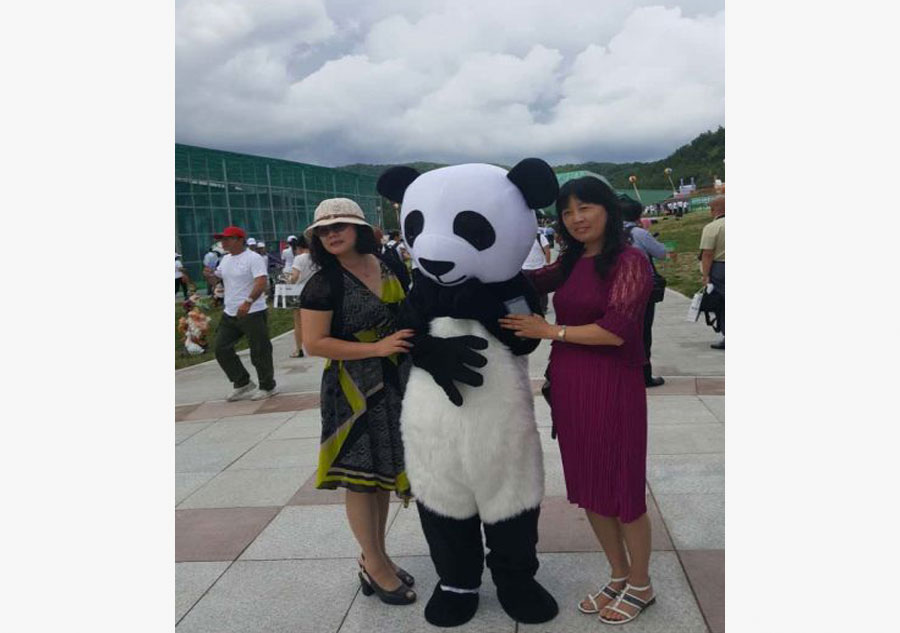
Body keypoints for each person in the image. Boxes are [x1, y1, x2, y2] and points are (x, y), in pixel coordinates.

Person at [499, 176, 656, 625]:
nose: (576, 218)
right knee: (589, 487)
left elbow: (616, 330)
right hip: (570, 384)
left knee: (623, 488)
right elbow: (527, 279)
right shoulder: (570, 261)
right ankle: (618, 573)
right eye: (567, 212)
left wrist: (550, 331)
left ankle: (641, 584)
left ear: (607, 209)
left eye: (585, 207)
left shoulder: (629, 262)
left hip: (612, 384)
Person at [300, 198, 417, 606]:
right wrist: (378, 348)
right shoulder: (323, 283)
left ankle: (376, 557)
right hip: (352, 391)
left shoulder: (387, 264)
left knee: (381, 475)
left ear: (359, 230)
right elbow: (314, 344)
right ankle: (375, 564)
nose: (333, 234)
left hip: (395, 381)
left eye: (341, 226)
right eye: (325, 230)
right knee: (360, 481)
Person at [212, 226, 278, 401]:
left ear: (240, 239)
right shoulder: (225, 259)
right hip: (230, 311)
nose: (223, 242)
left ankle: (267, 385)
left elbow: (261, 281)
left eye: (227, 239)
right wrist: (209, 275)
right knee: (220, 348)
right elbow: (219, 278)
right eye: (222, 239)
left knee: (259, 350)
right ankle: (242, 382)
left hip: (253, 311)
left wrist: (248, 302)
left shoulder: (253, 258)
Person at [620, 195, 668, 387]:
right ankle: (643, 375)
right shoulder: (639, 233)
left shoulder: (607, 233)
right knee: (643, 333)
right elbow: (662, 253)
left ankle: (622, 372)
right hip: (640, 290)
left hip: (614, 289)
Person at [700, 196, 726, 349]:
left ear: (714, 210)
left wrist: (705, 275)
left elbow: (707, 254)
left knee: (723, 302)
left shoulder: (712, 227)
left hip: (721, 268)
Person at [286, 235, 316, 358]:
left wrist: (288, 280)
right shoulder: (316, 258)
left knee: (298, 322)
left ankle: (299, 349)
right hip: (316, 291)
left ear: (298, 247)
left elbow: (295, 276)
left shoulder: (299, 258)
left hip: (300, 292)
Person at [522, 226, 552, 313]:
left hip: (539, 267)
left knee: (542, 289)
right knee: (528, 290)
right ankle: (532, 308)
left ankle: (543, 308)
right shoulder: (522, 239)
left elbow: (547, 251)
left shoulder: (540, 237)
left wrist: (547, 264)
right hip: (526, 268)